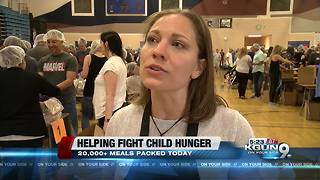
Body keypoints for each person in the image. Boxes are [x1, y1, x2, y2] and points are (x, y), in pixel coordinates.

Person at [105, 10, 253, 147]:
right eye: (152, 39)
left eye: (177, 44)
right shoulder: (120, 123)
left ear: (198, 67)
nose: (157, 51)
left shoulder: (233, 129)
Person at [0, 46, 60, 147]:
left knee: (7, 162)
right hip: (31, 131)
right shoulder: (32, 77)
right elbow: (55, 91)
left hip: (3, 132)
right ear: (21, 61)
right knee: (31, 162)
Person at [38, 29, 78, 135]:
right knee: (57, 132)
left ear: (61, 42)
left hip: (66, 100)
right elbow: (40, 80)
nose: (51, 44)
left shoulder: (70, 59)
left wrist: (52, 91)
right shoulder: (43, 60)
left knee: (70, 129)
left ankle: (73, 149)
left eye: (54, 41)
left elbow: (69, 80)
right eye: (49, 42)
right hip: (50, 102)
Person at [93, 31, 127, 131]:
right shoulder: (118, 61)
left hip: (110, 113)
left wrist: (107, 121)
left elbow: (110, 94)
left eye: (101, 43)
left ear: (106, 44)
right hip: (113, 110)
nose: (99, 46)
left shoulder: (111, 64)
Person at [80, 40, 107, 131]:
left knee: (85, 116)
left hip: (89, 90)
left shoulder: (88, 58)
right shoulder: (107, 59)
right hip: (102, 92)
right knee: (101, 117)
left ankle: (85, 136)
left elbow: (84, 75)